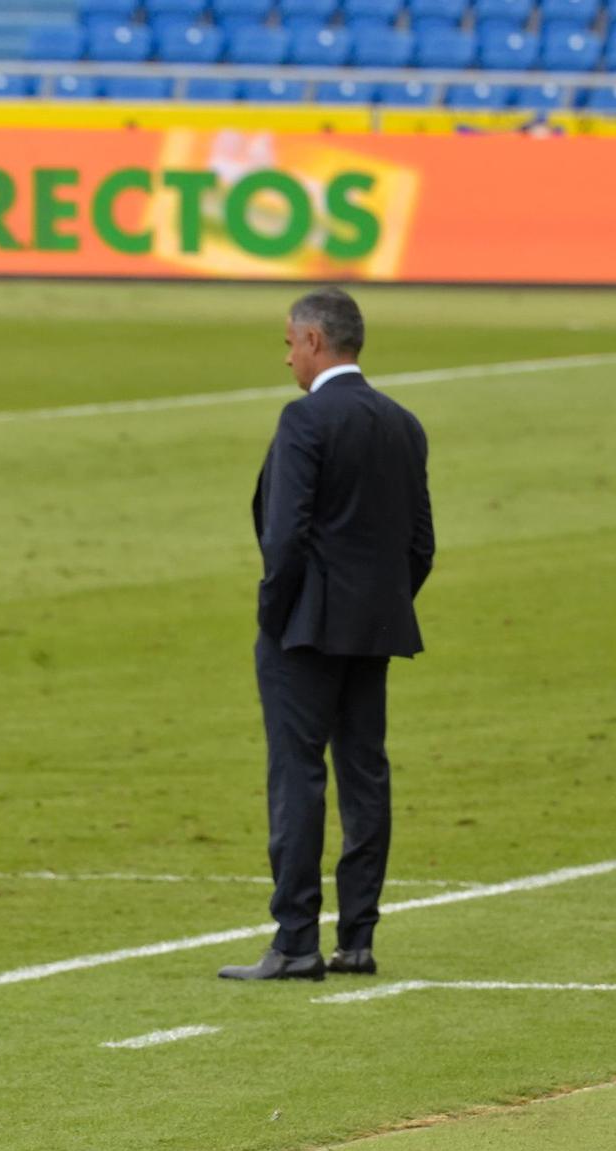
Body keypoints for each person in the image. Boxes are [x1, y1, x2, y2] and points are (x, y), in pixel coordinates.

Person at [220, 288, 435, 982]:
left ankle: (294, 941)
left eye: (289, 342)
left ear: (315, 341)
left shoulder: (305, 420)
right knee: (365, 775)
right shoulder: (404, 423)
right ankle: (359, 938)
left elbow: (284, 536)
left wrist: (274, 614)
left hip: (304, 633)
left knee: (298, 778)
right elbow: (421, 544)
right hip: (374, 629)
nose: (286, 356)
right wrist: (379, 604)